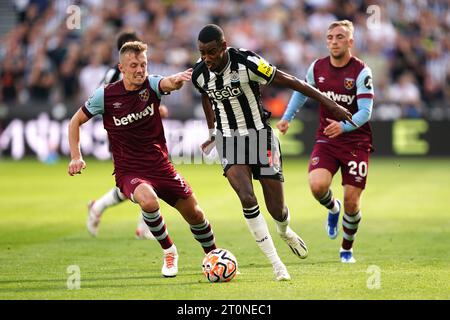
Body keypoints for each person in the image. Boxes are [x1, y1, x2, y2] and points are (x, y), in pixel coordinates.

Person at [192, 24, 354, 281]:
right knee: (246, 197)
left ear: (224, 46)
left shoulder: (247, 61)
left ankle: (285, 231)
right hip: (230, 142)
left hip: (260, 138)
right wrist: (213, 132)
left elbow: (291, 81)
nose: (206, 59)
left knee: (277, 210)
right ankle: (277, 265)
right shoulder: (200, 73)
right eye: (202, 53)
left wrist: (330, 103)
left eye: (211, 52)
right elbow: (205, 96)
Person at [68, 41, 217, 277]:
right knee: (148, 202)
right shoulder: (105, 95)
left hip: (161, 166)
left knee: (195, 215)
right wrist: (76, 156)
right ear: (122, 68)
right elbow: (75, 121)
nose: (140, 70)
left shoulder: (152, 84)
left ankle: (214, 256)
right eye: (134, 65)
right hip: (130, 171)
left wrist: (178, 79)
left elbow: (169, 83)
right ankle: (169, 251)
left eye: (143, 64)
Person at [277, 20, 374, 263]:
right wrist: (287, 118)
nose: (334, 41)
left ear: (350, 42)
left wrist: (342, 126)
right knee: (317, 186)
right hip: (327, 139)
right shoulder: (317, 68)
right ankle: (333, 208)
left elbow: (366, 111)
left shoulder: (361, 72)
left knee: (353, 201)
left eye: (340, 37)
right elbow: (301, 91)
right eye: (330, 37)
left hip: (356, 142)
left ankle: (346, 249)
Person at [86, 30, 169, 240]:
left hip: (139, 133)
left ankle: (137, 222)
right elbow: (100, 102)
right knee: (143, 178)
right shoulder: (115, 76)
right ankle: (141, 225)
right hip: (123, 136)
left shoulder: (138, 73)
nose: (140, 63)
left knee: (144, 179)